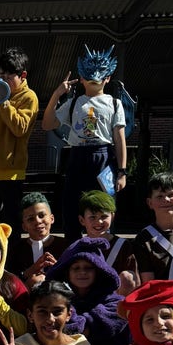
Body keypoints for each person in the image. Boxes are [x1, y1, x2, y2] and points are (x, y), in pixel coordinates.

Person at [41, 45, 127, 240]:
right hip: (77, 156)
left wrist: (122, 172)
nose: (94, 77)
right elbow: (47, 124)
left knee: (104, 207)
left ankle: (104, 251)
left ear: (108, 78)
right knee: (72, 207)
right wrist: (57, 94)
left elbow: (119, 138)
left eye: (100, 74)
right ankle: (74, 251)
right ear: (81, 78)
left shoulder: (115, 103)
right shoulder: (73, 103)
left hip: (104, 157)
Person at [46, 237, 130, 345]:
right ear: (66, 272)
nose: (81, 273)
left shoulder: (117, 303)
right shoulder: (56, 301)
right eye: (76, 268)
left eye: (88, 268)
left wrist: (76, 322)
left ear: (99, 270)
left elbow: (85, 328)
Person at [0, 47, 39, 233]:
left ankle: (13, 258)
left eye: (9, 76)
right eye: (1, 75)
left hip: (12, 173)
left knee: (11, 221)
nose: (4, 80)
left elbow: (20, 128)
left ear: (23, 75)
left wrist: (3, 104)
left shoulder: (29, 97)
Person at [77, 189, 137, 295]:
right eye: (92, 217)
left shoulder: (123, 246)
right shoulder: (77, 246)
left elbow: (134, 281)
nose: (99, 222)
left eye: (104, 216)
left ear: (112, 216)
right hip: (84, 300)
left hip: (116, 303)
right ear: (82, 220)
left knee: (128, 277)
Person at [6, 192, 67, 290]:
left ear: (52, 218)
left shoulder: (65, 246)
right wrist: (28, 273)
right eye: (30, 219)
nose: (38, 221)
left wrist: (57, 269)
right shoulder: (15, 250)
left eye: (42, 215)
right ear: (24, 226)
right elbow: (8, 282)